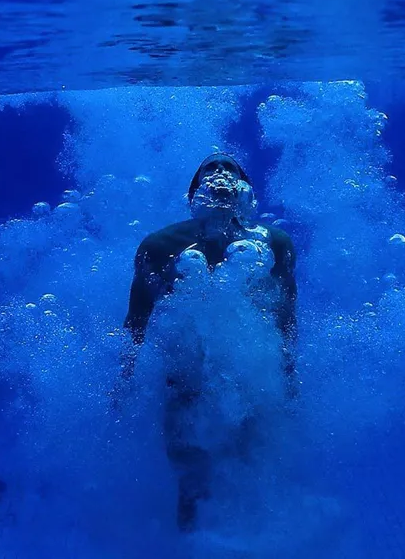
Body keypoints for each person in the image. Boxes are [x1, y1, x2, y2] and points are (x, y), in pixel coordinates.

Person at [118, 153, 297, 533]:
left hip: (248, 375)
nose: (220, 172)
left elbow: (285, 315)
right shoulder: (159, 245)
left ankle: (248, 536)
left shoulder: (276, 244)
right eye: (209, 168)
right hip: (185, 374)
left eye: (230, 168)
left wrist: (288, 372)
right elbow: (137, 320)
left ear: (247, 191)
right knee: (190, 479)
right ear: (193, 192)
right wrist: (125, 376)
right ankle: (189, 539)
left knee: (247, 465)